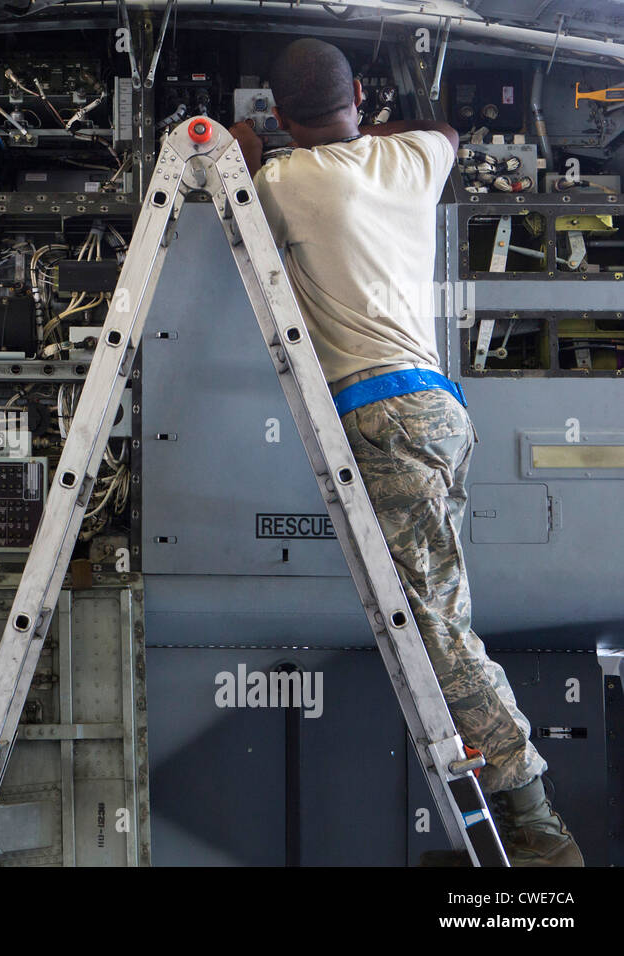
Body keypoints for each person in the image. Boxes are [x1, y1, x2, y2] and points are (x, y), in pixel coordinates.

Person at [229, 38, 583, 867]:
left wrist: (246, 146)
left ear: (282, 116)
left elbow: (231, 205)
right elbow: (448, 130)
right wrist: (366, 119)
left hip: (383, 417)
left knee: (437, 624)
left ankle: (535, 822)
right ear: (358, 93)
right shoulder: (413, 156)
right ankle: (519, 807)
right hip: (441, 410)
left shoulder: (285, 181)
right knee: (439, 609)